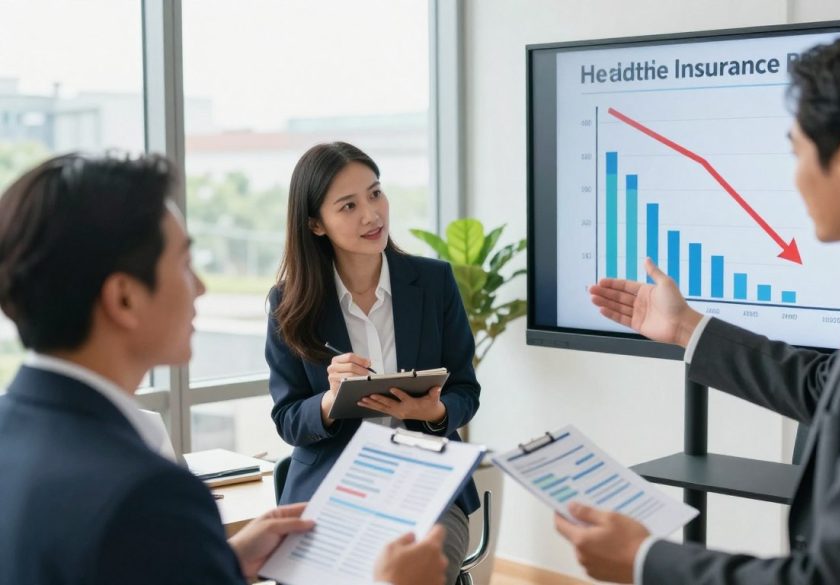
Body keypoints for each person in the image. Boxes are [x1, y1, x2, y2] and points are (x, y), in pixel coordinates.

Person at [556, 31, 840, 584]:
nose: (794, 175)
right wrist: (686, 327)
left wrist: (643, 560)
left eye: (797, 151)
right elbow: (835, 387)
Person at [0, 153, 448, 585]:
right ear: (124, 299)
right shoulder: (150, 495)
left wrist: (221, 565)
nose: (200, 287)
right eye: (183, 263)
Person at [266, 141, 481, 584]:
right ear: (316, 225)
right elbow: (287, 417)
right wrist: (328, 400)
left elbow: (465, 390)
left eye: (375, 193)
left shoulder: (434, 282)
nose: (371, 214)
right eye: (348, 205)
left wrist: (435, 411)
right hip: (334, 490)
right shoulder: (289, 303)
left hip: (428, 485)